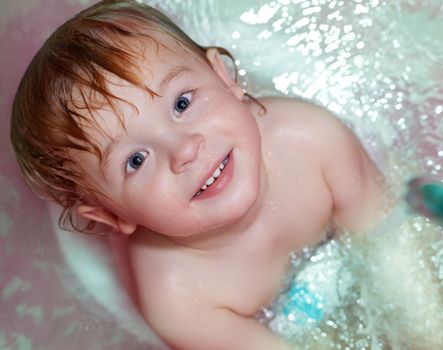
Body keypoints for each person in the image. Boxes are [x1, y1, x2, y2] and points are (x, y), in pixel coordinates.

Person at [10, 0, 384, 349]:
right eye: (136, 160)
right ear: (111, 216)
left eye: (182, 103)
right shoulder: (178, 299)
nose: (185, 149)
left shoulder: (311, 140)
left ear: (224, 76)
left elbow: (392, 243)